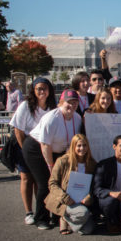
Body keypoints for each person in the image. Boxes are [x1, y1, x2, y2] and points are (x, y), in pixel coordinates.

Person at [23, 89, 83, 230]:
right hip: (37, 149)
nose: (72, 106)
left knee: (62, 183)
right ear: (61, 102)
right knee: (46, 183)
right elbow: (45, 145)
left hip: (59, 151)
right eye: (69, 102)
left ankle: (56, 215)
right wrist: (50, 165)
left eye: (75, 103)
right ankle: (41, 218)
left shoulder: (77, 118)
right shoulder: (52, 118)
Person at [9, 77, 57, 226]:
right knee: (27, 178)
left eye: (45, 88)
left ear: (49, 90)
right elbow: (18, 130)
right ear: (34, 91)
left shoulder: (52, 106)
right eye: (39, 89)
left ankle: (40, 210)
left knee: (41, 180)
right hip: (26, 145)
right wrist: (25, 150)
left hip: (44, 148)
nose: (42, 91)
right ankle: (29, 212)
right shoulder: (25, 106)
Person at [45, 134, 97, 235]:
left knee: (87, 230)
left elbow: (94, 185)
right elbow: (52, 183)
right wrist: (64, 197)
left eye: (85, 145)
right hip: (66, 201)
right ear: (73, 146)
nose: (82, 148)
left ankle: (68, 220)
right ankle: (64, 218)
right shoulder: (63, 161)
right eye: (79, 146)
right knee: (84, 213)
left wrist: (89, 196)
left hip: (82, 202)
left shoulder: (91, 163)